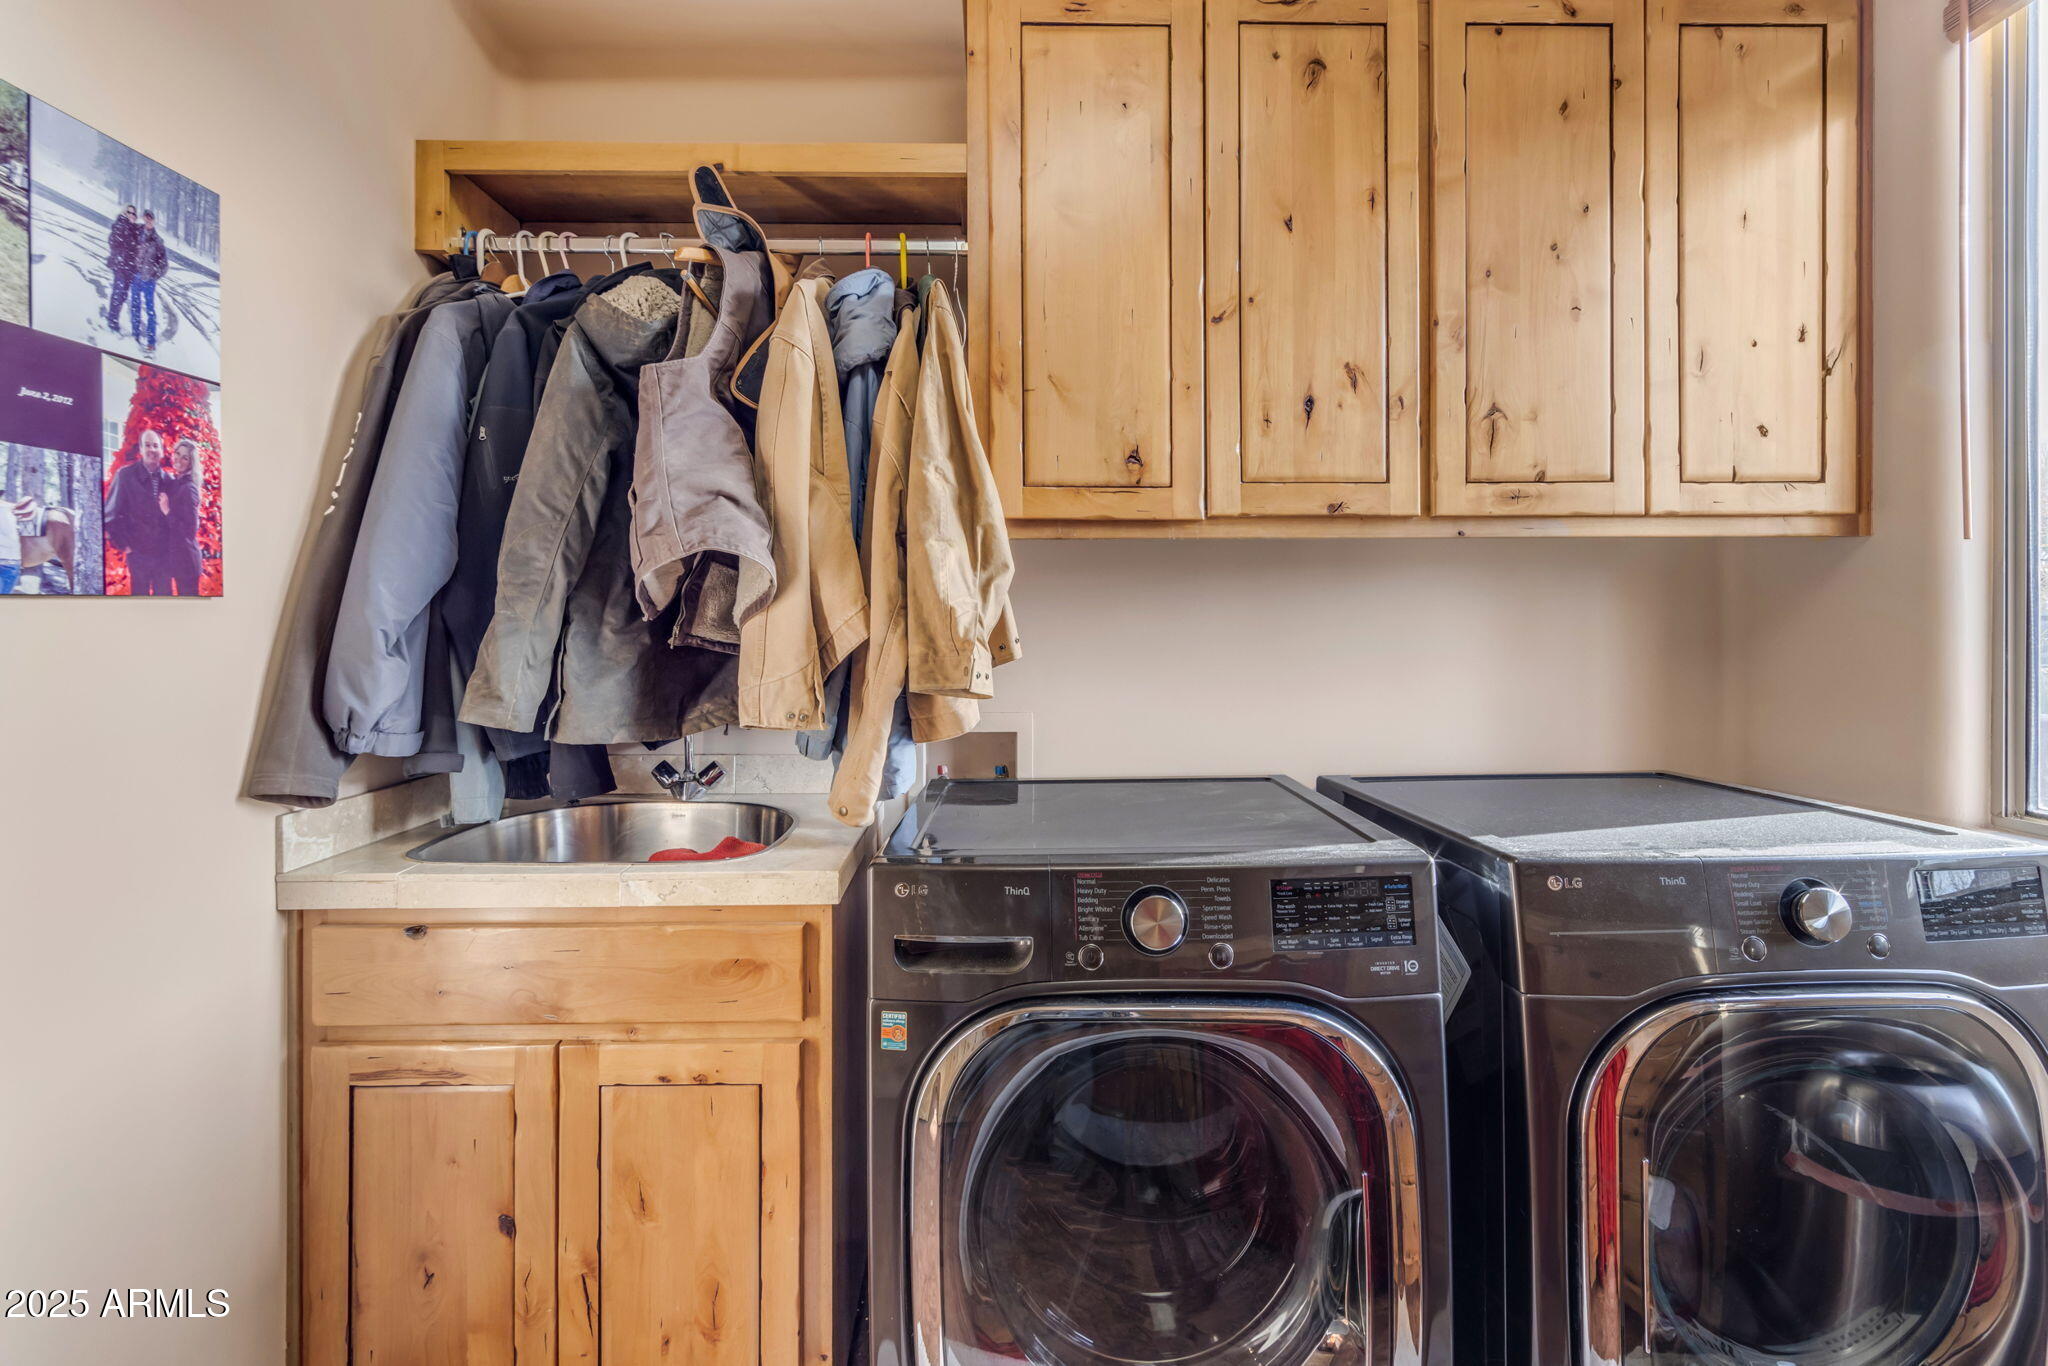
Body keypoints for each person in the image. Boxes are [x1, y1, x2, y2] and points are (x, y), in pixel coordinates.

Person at [104, 428, 169, 595]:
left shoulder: (169, 480)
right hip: (138, 554)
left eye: (155, 445)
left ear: (161, 450)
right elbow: (111, 515)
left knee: (166, 600)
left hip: (163, 556)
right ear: (140, 450)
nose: (152, 450)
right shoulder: (125, 475)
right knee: (140, 601)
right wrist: (125, 546)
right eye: (147, 445)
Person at [161, 437, 203, 595]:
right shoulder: (176, 483)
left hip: (187, 562)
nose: (178, 458)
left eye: (185, 457)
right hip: (179, 560)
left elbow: (190, 530)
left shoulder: (188, 488)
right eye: (177, 453)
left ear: (191, 463)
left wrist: (167, 511)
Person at [129, 210, 168, 352]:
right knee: (135, 306)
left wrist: (153, 275)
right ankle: (135, 336)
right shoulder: (137, 232)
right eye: (146, 218)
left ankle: (151, 342)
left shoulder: (158, 241)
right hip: (136, 276)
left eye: (151, 219)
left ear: (154, 220)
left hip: (148, 280)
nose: (148, 221)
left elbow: (164, 265)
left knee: (150, 310)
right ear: (143, 219)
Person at [104, 204, 140, 333]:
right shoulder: (120, 224)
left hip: (130, 268)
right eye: (129, 212)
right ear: (124, 213)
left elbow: (137, 247)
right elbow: (114, 241)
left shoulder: (135, 229)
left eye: (134, 214)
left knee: (123, 295)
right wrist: (126, 225)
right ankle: (112, 320)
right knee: (118, 292)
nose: (132, 215)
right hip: (120, 265)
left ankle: (114, 318)